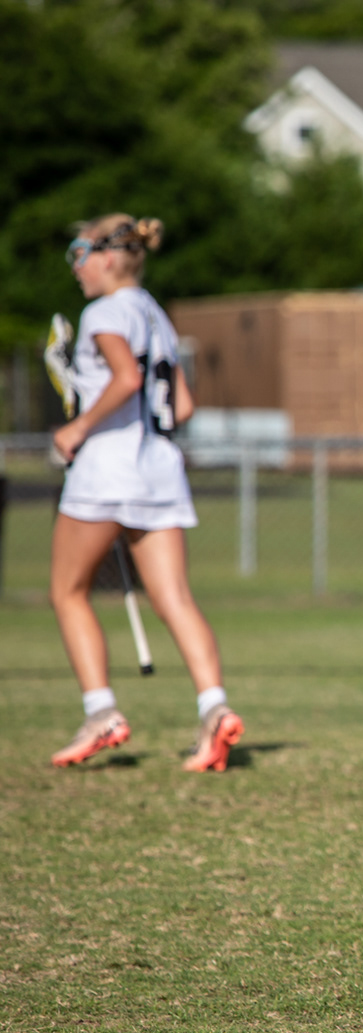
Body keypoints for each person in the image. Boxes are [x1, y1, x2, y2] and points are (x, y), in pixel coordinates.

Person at [46, 215, 245, 772]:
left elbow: (127, 380)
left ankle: (101, 711)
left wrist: (77, 429)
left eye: (80, 253)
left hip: (107, 470)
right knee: (175, 598)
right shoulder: (155, 314)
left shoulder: (104, 313)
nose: (76, 267)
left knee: (67, 591)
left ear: (108, 258)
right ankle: (214, 708)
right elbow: (183, 406)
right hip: (159, 469)